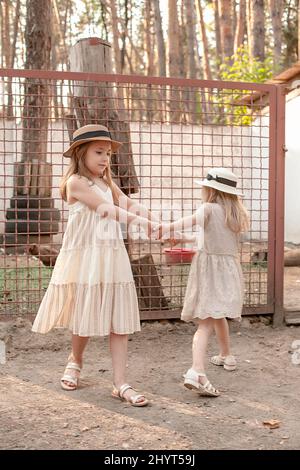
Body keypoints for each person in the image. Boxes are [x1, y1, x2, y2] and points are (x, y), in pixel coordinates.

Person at [32, 124, 161, 407]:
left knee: (119, 320)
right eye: (99, 152)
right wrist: (146, 225)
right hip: (86, 257)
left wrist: (157, 222)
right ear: (81, 153)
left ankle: (120, 383)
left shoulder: (107, 183)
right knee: (85, 313)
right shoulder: (76, 183)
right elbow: (107, 210)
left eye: (108, 154)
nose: (105, 159)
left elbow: (126, 204)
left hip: (112, 255)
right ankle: (75, 360)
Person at [153, 168, 249, 397]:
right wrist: (183, 237)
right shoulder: (234, 215)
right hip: (228, 272)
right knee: (218, 314)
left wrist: (168, 227)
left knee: (205, 322)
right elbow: (209, 237)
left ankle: (196, 370)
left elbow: (193, 221)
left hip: (209, 273)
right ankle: (227, 355)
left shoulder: (207, 209)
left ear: (210, 190)